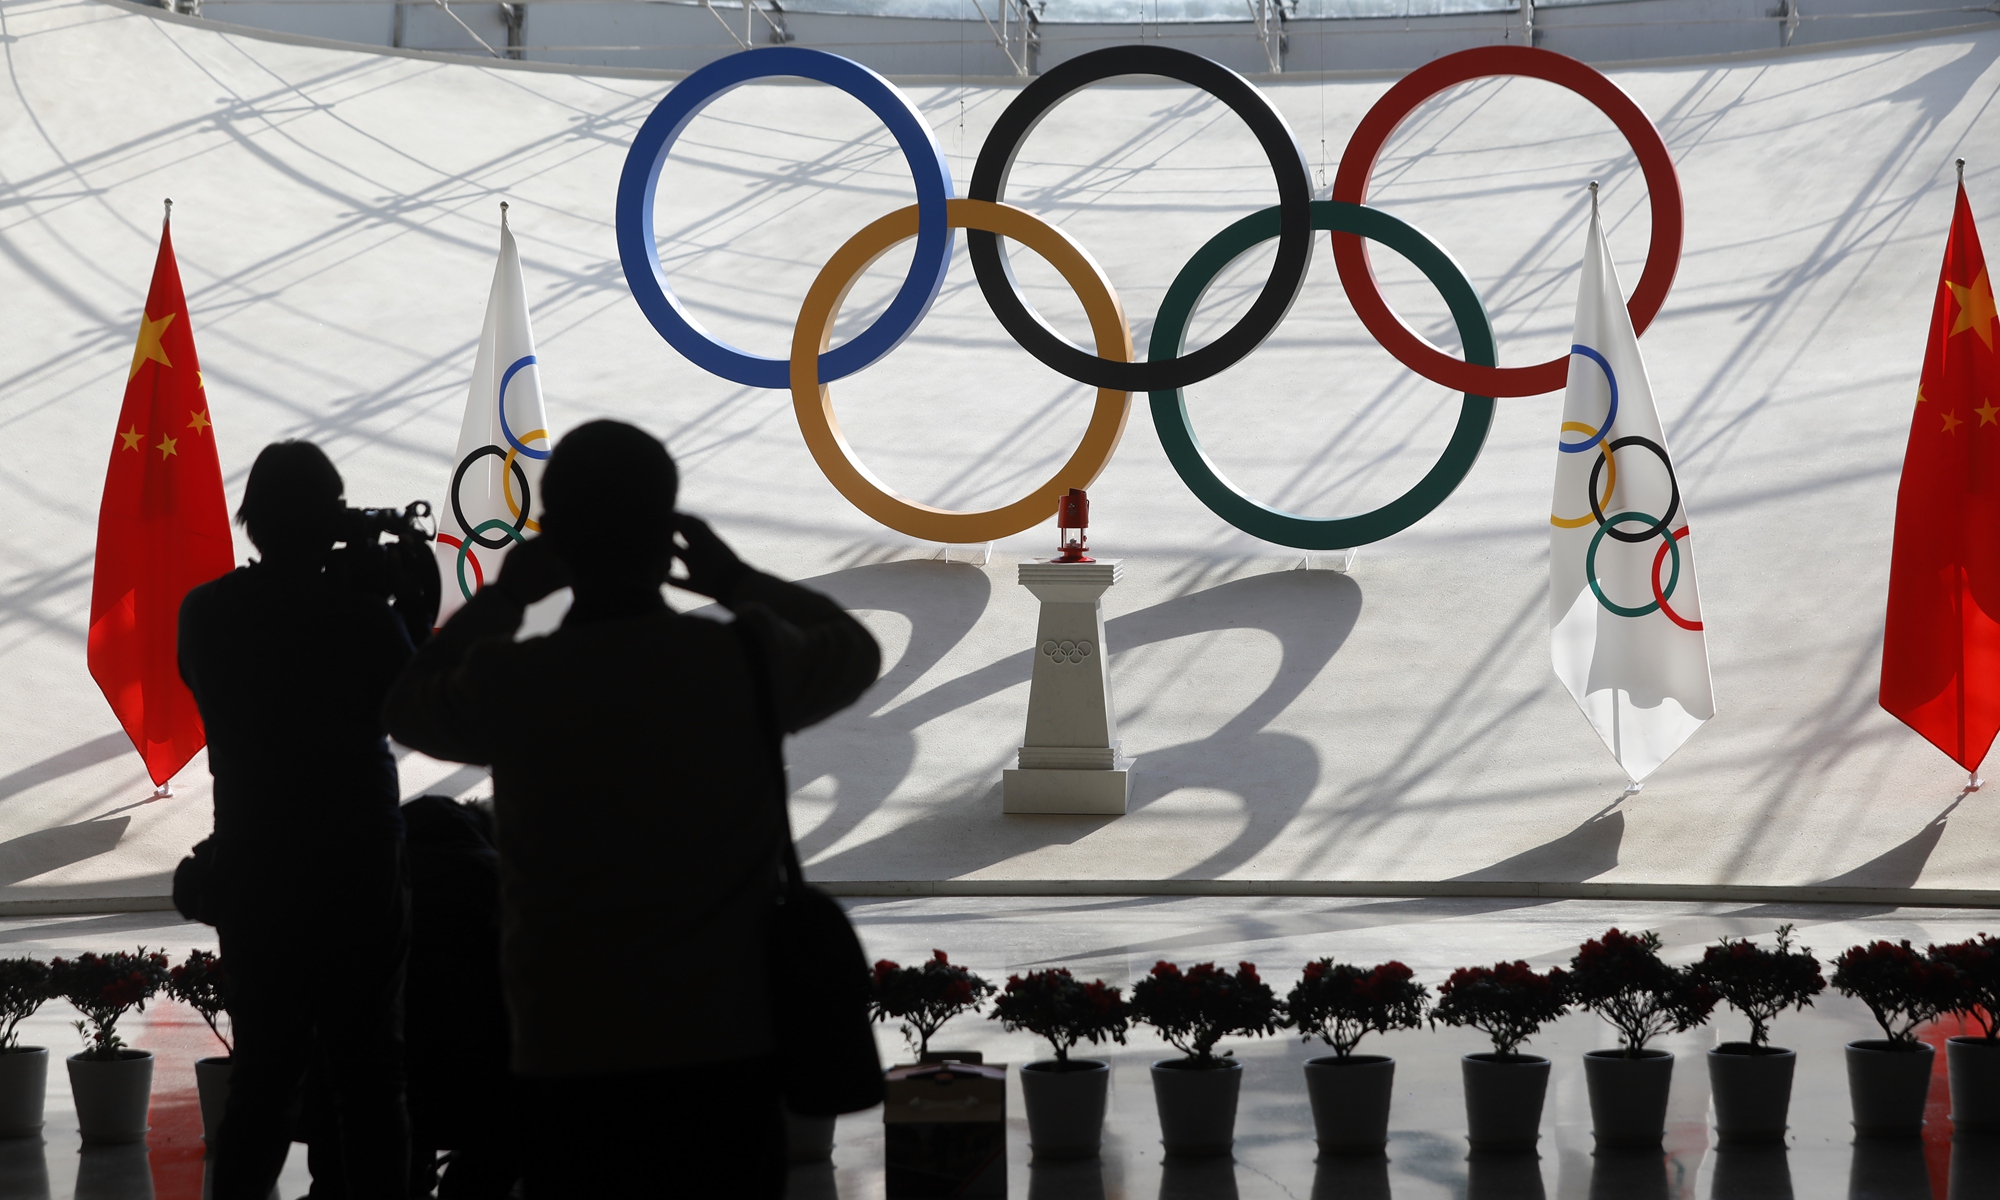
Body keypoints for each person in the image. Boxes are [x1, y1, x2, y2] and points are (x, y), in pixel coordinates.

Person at [384, 419, 880, 1199]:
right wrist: (736, 579)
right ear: (670, 533)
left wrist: (507, 596)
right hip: (729, 1040)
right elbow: (852, 644)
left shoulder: (517, 681)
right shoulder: (741, 659)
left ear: (555, 542)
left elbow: (407, 704)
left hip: (567, 1049)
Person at [178, 440, 434, 1200]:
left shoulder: (207, 611)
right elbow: (415, 694)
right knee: (370, 1073)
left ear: (254, 519)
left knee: (264, 1075)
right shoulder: (358, 617)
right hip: (358, 861)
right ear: (327, 521)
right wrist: (403, 596)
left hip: (256, 860)